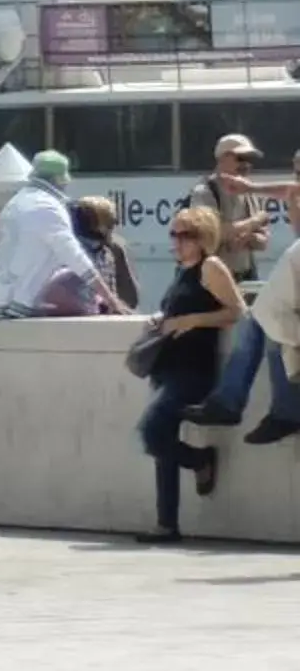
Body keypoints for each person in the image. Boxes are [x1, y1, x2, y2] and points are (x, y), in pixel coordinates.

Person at [136, 205, 242, 543]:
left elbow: (236, 311)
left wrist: (191, 321)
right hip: (167, 364)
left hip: (192, 369)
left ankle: (199, 460)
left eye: (187, 235)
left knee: (152, 431)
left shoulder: (210, 267)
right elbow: (175, 309)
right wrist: (160, 318)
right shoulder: (181, 270)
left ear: (203, 237)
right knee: (161, 445)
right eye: (175, 234)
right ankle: (166, 523)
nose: (178, 242)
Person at [0, 152, 113, 317]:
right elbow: (76, 258)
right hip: (22, 302)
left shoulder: (14, 204)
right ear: (58, 180)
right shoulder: (48, 207)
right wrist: (112, 300)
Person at [188, 133, 273, 283]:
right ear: (222, 159)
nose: (246, 165)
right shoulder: (205, 192)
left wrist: (249, 238)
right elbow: (211, 232)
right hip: (214, 282)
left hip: (246, 277)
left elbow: (264, 241)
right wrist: (254, 222)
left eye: (249, 160)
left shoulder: (249, 192)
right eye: (240, 159)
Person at [77, 195, 141, 311]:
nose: (113, 228)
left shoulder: (108, 252)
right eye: (111, 222)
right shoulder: (77, 255)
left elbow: (130, 299)